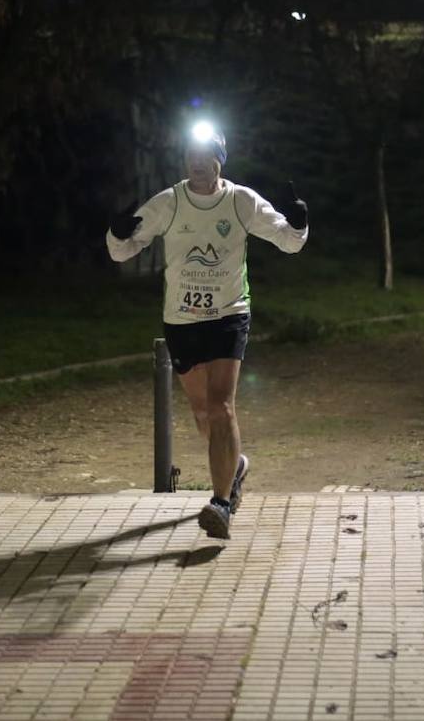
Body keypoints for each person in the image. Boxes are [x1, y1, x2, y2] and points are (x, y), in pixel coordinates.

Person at [106, 121, 308, 539]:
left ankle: (220, 504)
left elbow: (289, 242)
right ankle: (235, 469)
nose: (198, 164)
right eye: (191, 156)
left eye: (207, 156)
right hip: (181, 319)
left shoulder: (240, 201)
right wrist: (117, 231)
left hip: (229, 314)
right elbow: (123, 251)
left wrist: (299, 222)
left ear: (220, 160)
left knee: (222, 407)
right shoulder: (170, 202)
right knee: (202, 413)